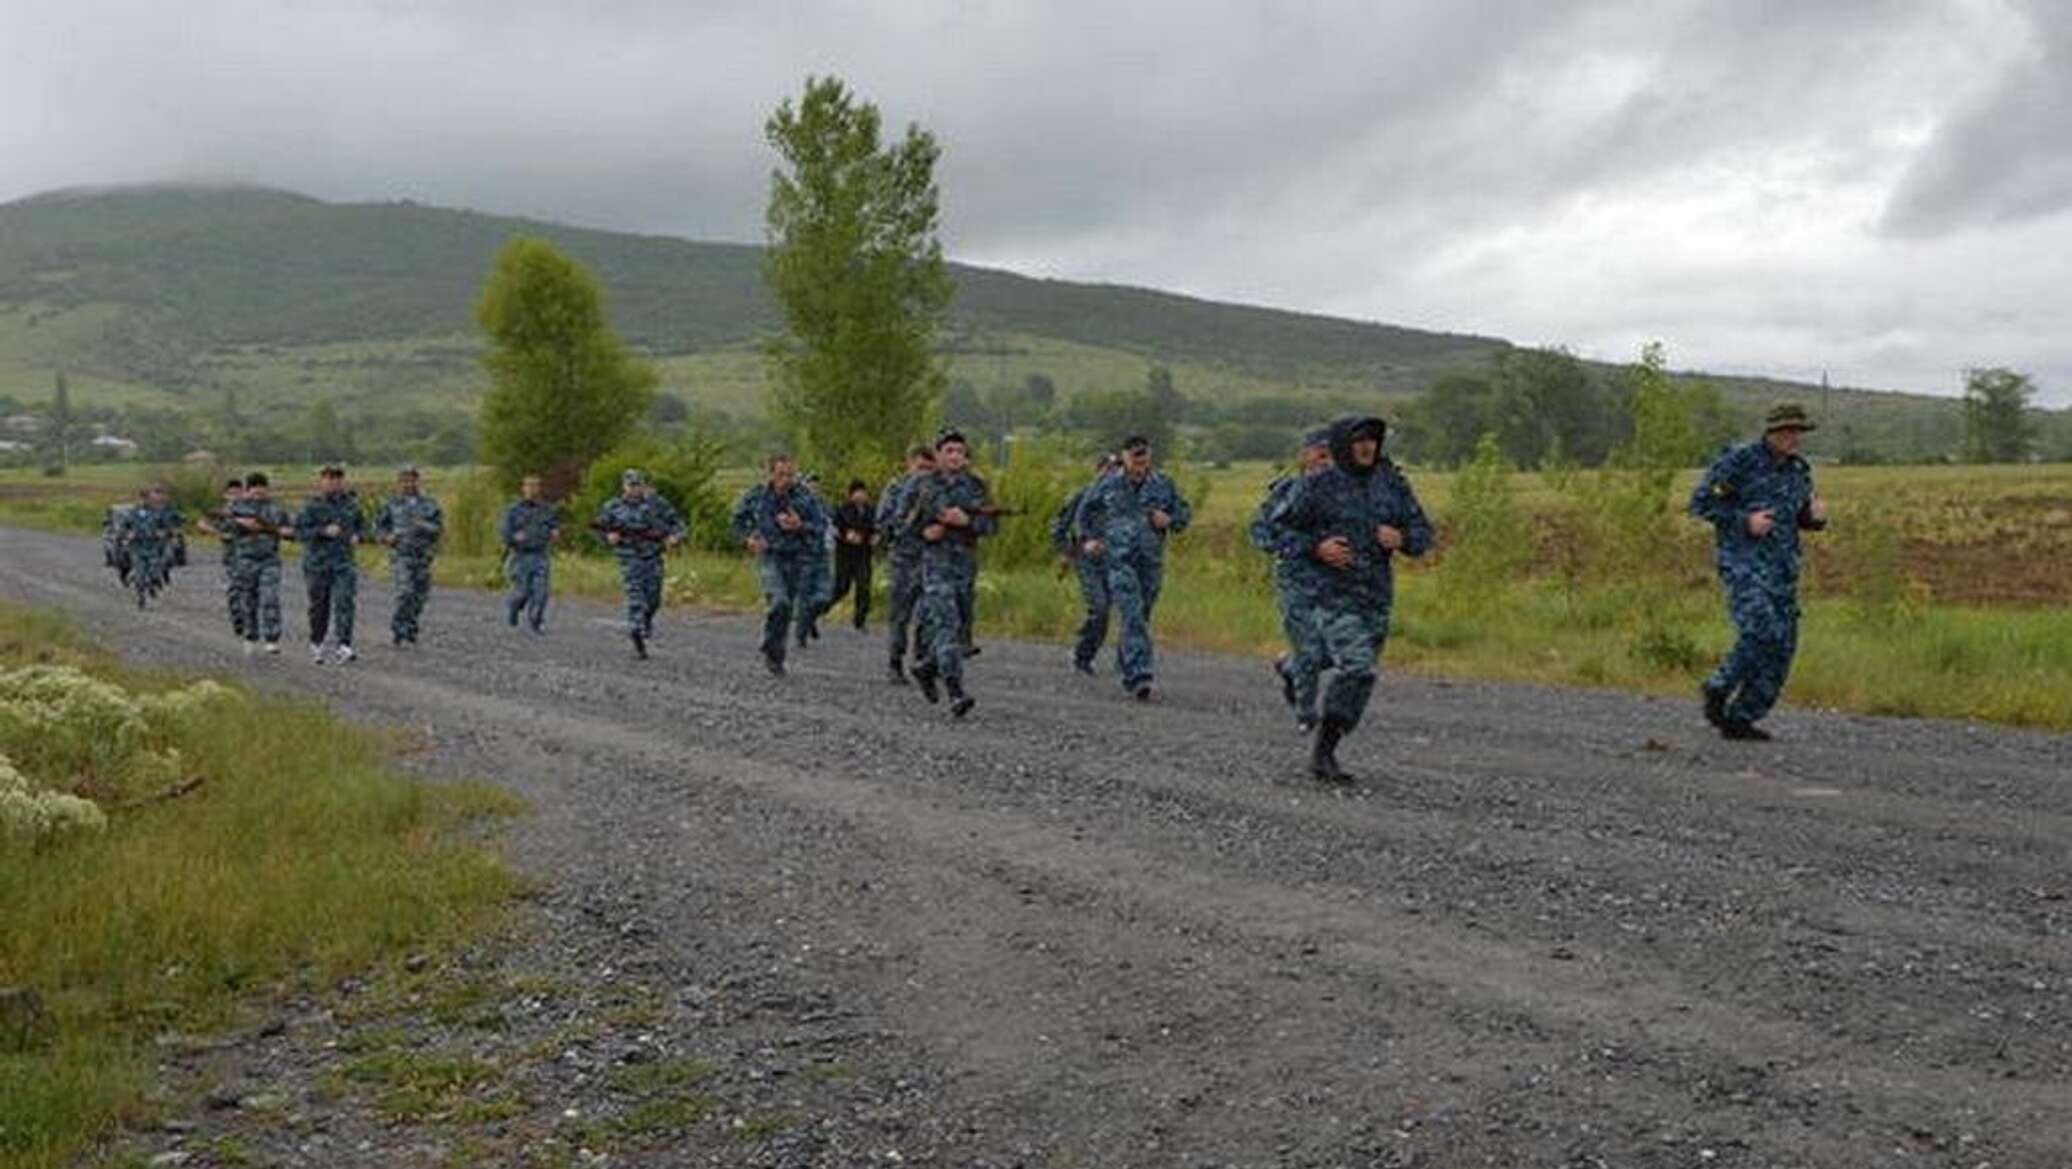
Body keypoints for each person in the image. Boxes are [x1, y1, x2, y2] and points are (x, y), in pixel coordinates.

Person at [1261, 416, 1432, 781]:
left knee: (1340, 665)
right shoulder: (1318, 486)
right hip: (1329, 594)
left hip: (1375, 596)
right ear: (1343, 444)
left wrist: (1401, 538)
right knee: (1357, 667)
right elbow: (1275, 530)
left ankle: (1295, 672)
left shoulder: (1391, 484)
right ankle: (1323, 752)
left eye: (1373, 439)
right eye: (1359, 440)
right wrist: (1316, 547)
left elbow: (1422, 533)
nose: (1367, 446)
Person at [1689, 402, 1829, 741]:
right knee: (1760, 630)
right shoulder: (1740, 461)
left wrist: (1814, 519)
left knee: (1783, 645)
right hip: (1744, 562)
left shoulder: (1799, 470)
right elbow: (1701, 503)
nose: (1793, 437)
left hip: (1783, 567)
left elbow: (1796, 518)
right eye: (1786, 431)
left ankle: (1742, 717)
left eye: (1798, 431)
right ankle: (1719, 687)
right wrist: (1743, 521)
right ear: (1771, 432)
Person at [1074, 435, 1193, 701]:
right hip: (1118, 559)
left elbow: (1184, 516)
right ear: (1124, 457)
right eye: (1135, 458)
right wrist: (1088, 539)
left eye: (1144, 458)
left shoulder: (1163, 485)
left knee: (1143, 612)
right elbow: (1084, 512)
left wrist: (1170, 520)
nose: (1140, 464)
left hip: (1150, 560)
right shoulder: (1108, 484)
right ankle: (1139, 676)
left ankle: (1127, 658)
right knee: (1132, 613)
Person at [903, 429, 996, 718]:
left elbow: (991, 526)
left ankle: (927, 667)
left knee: (960, 630)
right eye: (949, 451)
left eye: (960, 451)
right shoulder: (922, 485)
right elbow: (897, 524)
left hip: (965, 563)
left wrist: (968, 521)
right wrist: (924, 531)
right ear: (939, 455)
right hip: (936, 563)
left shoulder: (976, 486)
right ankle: (956, 690)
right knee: (946, 623)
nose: (956, 456)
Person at [1250, 427, 1335, 731]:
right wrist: (1311, 546)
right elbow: (1261, 532)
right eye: (1320, 453)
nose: (1327, 460)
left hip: (1337, 585)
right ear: (1306, 455)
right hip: (1296, 580)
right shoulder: (1287, 491)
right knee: (1310, 647)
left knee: (1341, 649)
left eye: (1332, 454)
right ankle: (1307, 715)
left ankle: (1289, 667)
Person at [730, 454, 830, 675]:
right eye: (781, 474)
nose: (786, 479)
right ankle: (771, 646)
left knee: (786, 610)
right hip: (770, 555)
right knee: (779, 601)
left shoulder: (805, 497)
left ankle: (775, 652)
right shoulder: (757, 496)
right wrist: (748, 539)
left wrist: (800, 525)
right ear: (770, 474)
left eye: (790, 475)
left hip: (796, 557)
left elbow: (821, 525)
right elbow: (737, 522)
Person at [593, 469, 685, 659]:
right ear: (624, 487)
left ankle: (645, 622)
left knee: (653, 598)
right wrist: (608, 537)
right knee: (636, 596)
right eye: (631, 485)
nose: (635, 489)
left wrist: (675, 537)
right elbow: (599, 527)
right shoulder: (613, 507)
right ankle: (637, 632)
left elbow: (677, 523)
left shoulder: (657, 505)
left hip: (653, 556)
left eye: (638, 485)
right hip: (629, 557)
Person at [1052, 453, 1118, 675]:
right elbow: (1061, 525)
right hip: (1085, 558)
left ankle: (1084, 644)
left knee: (1105, 611)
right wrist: (1065, 553)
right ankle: (1082, 657)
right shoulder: (1082, 496)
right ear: (1097, 470)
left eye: (1116, 469)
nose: (1111, 473)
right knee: (1099, 608)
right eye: (1107, 468)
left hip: (1112, 561)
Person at [295, 465, 366, 664]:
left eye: (337, 479)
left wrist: (358, 535)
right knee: (320, 605)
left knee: (345, 601)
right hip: (317, 563)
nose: (334, 482)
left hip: (344, 562)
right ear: (321, 481)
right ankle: (317, 642)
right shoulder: (311, 505)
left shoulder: (351, 504)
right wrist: (323, 531)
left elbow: (362, 526)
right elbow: (299, 532)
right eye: (329, 478)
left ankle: (344, 644)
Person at [876, 445, 935, 684]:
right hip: (903, 559)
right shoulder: (896, 489)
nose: (924, 474)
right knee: (900, 615)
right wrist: (909, 515)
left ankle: (922, 661)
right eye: (920, 468)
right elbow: (884, 523)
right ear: (909, 465)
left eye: (929, 470)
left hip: (930, 559)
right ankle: (895, 661)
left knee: (928, 614)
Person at [223, 472, 294, 655]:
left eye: (262, 491)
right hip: (245, 560)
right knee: (248, 600)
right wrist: (240, 523)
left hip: (270, 560)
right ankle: (250, 635)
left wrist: (281, 531)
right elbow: (221, 526)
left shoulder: (277, 510)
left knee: (270, 597)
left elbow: (291, 530)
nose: (259, 495)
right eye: (255, 491)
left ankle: (272, 637)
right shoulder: (237, 508)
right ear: (247, 491)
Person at [374, 465, 444, 646]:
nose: (408, 484)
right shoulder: (391, 504)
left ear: (417, 481)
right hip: (401, 555)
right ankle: (399, 628)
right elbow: (379, 528)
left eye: (411, 480)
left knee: (420, 596)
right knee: (405, 592)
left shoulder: (429, 504)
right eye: (404, 480)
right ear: (399, 483)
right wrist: (386, 537)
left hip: (423, 556)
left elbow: (439, 529)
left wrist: (424, 525)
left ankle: (411, 626)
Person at [500, 474, 560, 633]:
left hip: (540, 554)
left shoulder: (546, 510)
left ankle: (536, 621)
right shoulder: (513, 510)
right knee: (522, 592)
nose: (533, 490)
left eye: (536, 486)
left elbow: (554, 525)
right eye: (530, 486)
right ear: (523, 488)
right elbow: (505, 533)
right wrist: (514, 537)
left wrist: (554, 532)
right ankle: (514, 608)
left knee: (541, 592)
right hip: (521, 556)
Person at [196, 477, 248, 639]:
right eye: (231, 493)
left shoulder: (250, 511)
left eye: (238, 493)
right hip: (232, 557)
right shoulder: (221, 513)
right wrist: (218, 533)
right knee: (236, 588)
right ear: (226, 495)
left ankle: (250, 619)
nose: (235, 496)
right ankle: (238, 618)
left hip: (251, 556)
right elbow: (201, 524)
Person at [120, 484, 185, 609]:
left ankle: (152, 586)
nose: (145, 500)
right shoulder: (133, 513)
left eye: (147, 498)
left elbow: (168, 527)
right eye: (143, 498)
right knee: (139, 574)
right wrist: (127, 536)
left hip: (153, 546)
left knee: (154, 571)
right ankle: (141, 597)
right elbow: (124, 528)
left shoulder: (158, 513)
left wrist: (167, 534)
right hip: (137, 547)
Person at [827, 479, 877, 631]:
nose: (861, 496)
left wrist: (876, 536)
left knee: (864, 585)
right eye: (857, 492)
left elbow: (877, 527)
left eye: (863, 492)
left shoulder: (871, 510)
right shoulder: (842, 510)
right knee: (842, 587)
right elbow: (835, 528)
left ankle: (860, 620)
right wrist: (845, 535)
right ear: (851, 495)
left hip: (863, 553)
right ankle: (817, 609)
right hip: (845, 554)